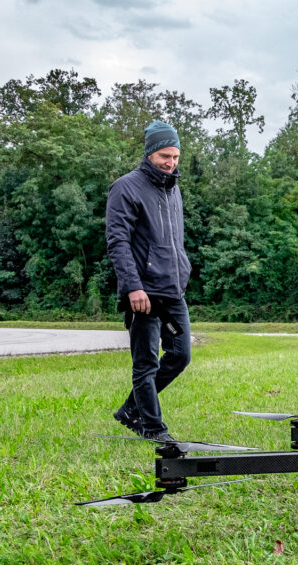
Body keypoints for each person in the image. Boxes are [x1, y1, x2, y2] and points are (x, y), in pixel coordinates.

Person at [106, 121, 192, 442]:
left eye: (176, 157)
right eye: (164, 156)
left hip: (172, 291)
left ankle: (131, 408)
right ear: (149, 153)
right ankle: (153, 428)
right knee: (145, 363)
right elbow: (118, 241)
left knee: (180, 354)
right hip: (143, 292)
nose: (171, 163)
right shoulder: (125, 187)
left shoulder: (174, 189)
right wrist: (132, 286)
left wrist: (182, 271)